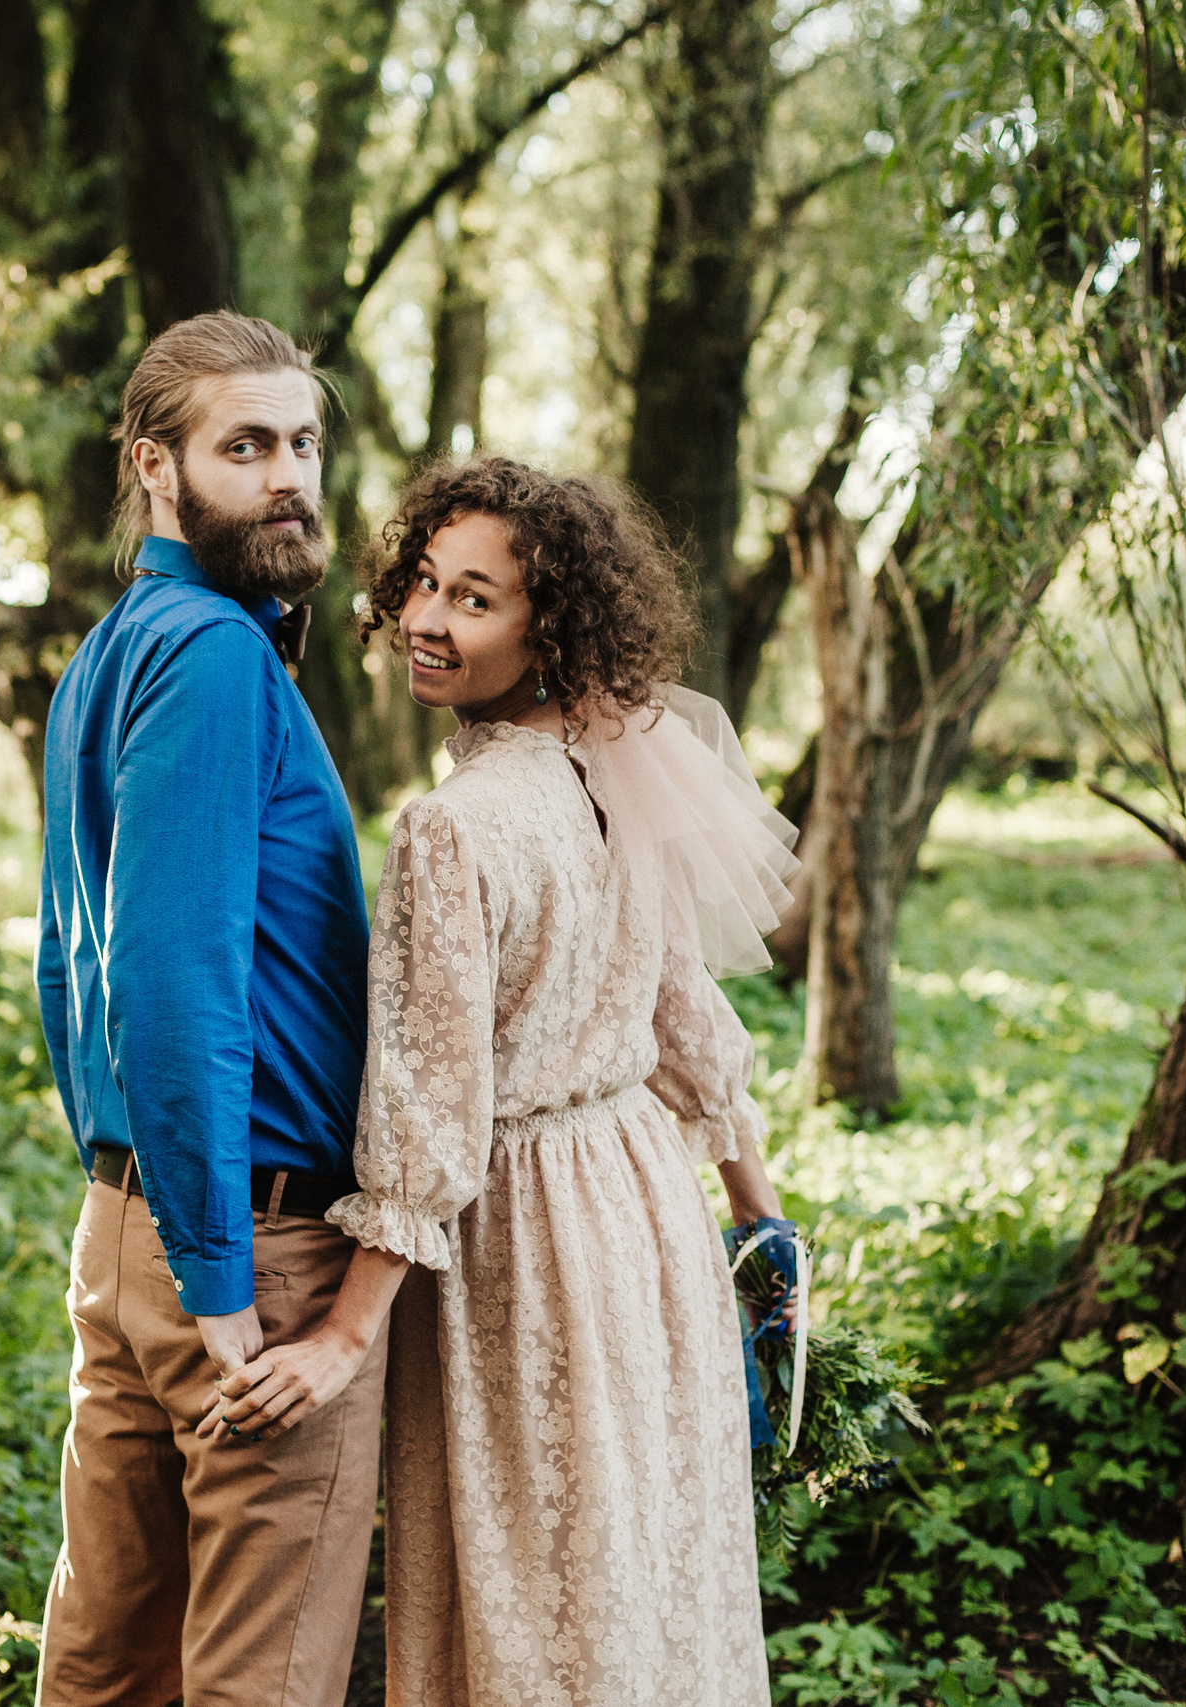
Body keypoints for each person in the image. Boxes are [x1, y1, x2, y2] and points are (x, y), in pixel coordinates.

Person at [201, 456, 801, 1706]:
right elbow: (688, 1018)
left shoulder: (453, 826)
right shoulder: (618, 758)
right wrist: (759, 1220)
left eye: (475, 600)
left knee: (531, 1586)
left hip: (524, 1241)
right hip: (646, 1215)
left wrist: (343, 1335)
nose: (426, 619)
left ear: (551, 625)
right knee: (640, 1571)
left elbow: (429, 1112)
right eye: (423, 583)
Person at [32, 310, 384, 1707]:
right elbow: (169, 983)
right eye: (246, 446)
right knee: (259, 1676)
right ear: (154, 467)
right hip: (247, 1240)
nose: (289, 474)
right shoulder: (216, 655)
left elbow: (74, 966)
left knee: (107, 1663)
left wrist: (148, 1227)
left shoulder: (117, 648)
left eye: (302, 442)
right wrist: (225, 1276)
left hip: (128, 1229)